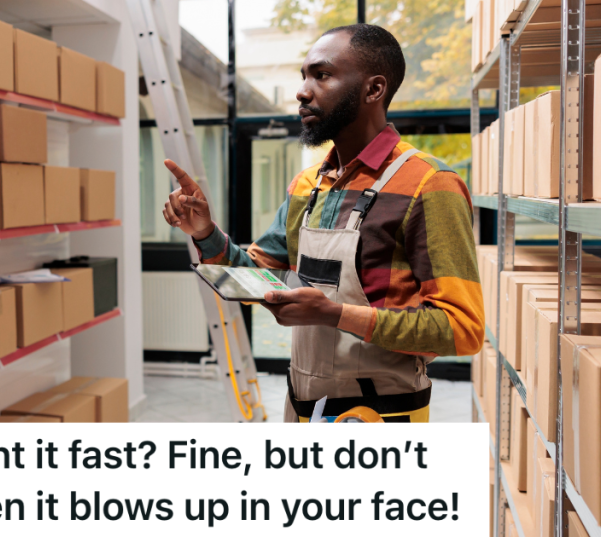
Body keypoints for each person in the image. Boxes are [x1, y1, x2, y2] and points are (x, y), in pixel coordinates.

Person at [161, 24, 484, 423]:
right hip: (302, 408)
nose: (302, 90)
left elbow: (462, 328)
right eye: (304, 76)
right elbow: (256, 280)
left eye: (322, 74)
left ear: (373, 90)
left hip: (383, 417)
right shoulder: (307, 186)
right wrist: (204, 233)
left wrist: (335, 314)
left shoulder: (429, 185)